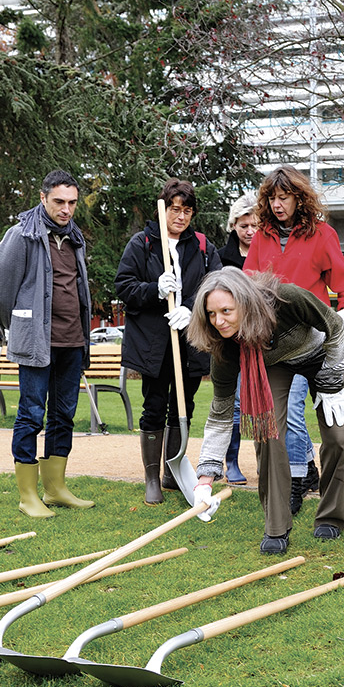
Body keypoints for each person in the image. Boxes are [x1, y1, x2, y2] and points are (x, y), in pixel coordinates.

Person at [187, 267, 344, 553]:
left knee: (336, 437)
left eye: (226, 310)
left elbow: (335, 326)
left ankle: (331, 516)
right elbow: (221, 414)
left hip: (321, 354)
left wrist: (333, 380)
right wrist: (205, 477)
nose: (219, 321)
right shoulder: (224, 347)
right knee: (268, 432)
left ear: (245, 301)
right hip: (272, 365)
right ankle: (276, 527)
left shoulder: (286, 299)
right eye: (212, 314)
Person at [244, 166, 344, 515]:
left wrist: (340, 320)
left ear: (299, 198)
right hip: (275, 348)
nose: (278, 205)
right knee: (274, 428)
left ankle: (330, 511)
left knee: (337, 439)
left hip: (319, 345)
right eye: (272, 199)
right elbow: (248, 285)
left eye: (285, 198)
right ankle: (287, 496)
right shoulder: (262, 237)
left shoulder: (322, 234)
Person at [0, 169, 94, 517]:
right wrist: (16, 328)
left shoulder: (74, 236)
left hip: (72, 341)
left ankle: (56, 488)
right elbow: (1, 291)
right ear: (43, 198)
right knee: (32, 414)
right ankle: (27, 496)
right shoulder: (22, 236)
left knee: (64, 415)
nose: (66, 209)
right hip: (37, 343)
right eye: (59, 202)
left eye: (72, 203)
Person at [114, 179, 222, 505]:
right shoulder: (143, 243)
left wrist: (192, 309)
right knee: (155, 407)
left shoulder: (202, 247)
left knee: (183, 406)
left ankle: (172, 471)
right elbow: (124, 286)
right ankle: (151, 479)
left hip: (191, 342)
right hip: (154, 346)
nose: (181, 216)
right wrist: (154, 289)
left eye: (187, 210)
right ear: (164, 208)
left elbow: (215, 284)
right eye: (175, 208)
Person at [217, 193, 259, 486]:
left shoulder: (269, 252)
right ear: (234, 226)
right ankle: (230, 461)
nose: (249, 230)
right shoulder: (221, 258)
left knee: (262, 400)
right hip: (231, 341)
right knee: (232, 403)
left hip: (260, 338)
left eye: (254, 224)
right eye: (243, 225)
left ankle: (267, 460)